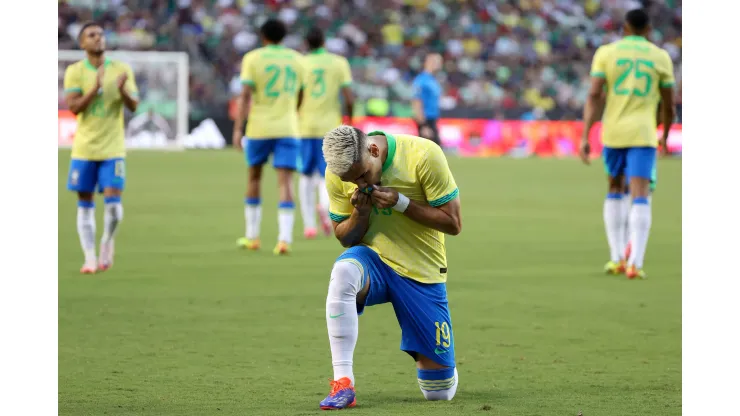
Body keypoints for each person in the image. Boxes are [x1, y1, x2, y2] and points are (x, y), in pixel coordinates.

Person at [319, 126, 462, 410]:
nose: (359, 184)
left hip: (421, 270)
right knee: (344, 273)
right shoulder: (340, 174)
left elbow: (453, 224)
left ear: (373, 150)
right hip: (374, 261)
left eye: (362, 176)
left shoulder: (424, 155)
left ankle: (436, 361)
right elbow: (345, 237)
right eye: (351, 181)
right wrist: (360, 213)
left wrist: (402, 203)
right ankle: (343, 383)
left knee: (439, 392)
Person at [580, 9, 675, 279]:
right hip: (643, 133)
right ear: (648, 29)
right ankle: (635, 262)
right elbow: (669, 106)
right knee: (640, 194)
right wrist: (665, 135)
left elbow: (594, 94)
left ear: (625, 27)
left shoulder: (606, 53)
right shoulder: (660, 56)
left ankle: (616, 257)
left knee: (613, 188)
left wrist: (586, 135)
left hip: (613, 131)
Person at [63, 21, 139, 274]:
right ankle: (89, 257)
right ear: (82, 43)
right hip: (84, 148)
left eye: (101, 34)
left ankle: (107, 241)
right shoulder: (75, 71)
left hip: (112, 148)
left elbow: (134, 105)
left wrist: (122, 92)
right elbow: (73, 108)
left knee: (114, 206)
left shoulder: (120, 69)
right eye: (91, 35)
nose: (98, 38)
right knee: (84, 203)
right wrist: (94, 89)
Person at [232, 19, 304, 255]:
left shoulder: (252, 58)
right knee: (285, 182)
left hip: (259, 127)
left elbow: (244, 95)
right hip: (288, 127)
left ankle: (252, 237)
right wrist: (292, 113)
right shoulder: (297, 59)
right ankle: (284, 240)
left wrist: (237, 129)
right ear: (283, 37)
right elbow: (301, 94)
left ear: (263, 36)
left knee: (254, 178)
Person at [297, 27, 354, 239]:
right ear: (324, 42)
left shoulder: (301, 63)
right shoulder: (339, 63)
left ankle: (309, 225)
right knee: (327, 173)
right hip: (331, 128)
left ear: (307, 44)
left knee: (305, 174)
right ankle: (324, 205)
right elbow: (349, 97)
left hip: (305, 127)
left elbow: (298, 95)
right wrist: (350, 119)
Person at [411, 53, 443, 145]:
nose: (440, 64)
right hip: (426, 120)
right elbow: (416, 102)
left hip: (432, 119)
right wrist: (423, 126)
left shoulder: (432, 79)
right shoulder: (421, 80)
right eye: (438, 61)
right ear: (429, 62)